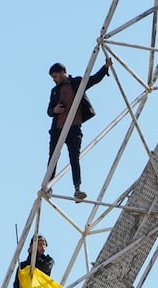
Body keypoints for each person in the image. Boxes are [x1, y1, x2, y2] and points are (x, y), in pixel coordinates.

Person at [48, 58, 112, 201]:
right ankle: (48, 185)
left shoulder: (76, 83)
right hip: (58, 129)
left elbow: (93, 79)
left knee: (74, 158)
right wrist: (55, 110)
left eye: (56, 76)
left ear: (63, 73)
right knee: (53, 157)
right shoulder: (54, 91)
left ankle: (77, 189)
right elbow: (49, 111)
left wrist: (105, 67)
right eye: (53, 78)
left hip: (74, 129)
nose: (54, 80)